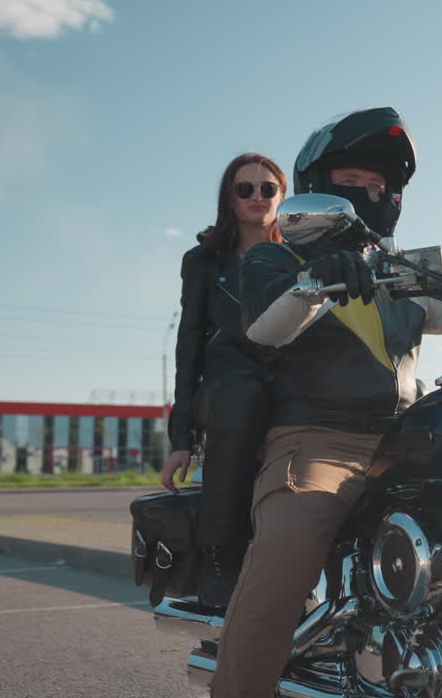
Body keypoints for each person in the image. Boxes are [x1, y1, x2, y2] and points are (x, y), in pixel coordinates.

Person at [210, 108, 442, 697]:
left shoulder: (405, 271)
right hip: (318, 441)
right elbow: (263, 328)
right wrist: (315, 285)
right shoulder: (277, 259)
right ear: (320, 191)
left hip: (409, 442)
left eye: (381, 187)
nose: (370, 196)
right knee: (286, 554)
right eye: (353, 185)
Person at [160, 152, 286, 608]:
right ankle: (217, 559)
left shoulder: (299, 255)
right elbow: (188, 346)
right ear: (229, 199)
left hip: (287, 381)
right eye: (245, 188)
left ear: (282, 196)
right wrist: (182, 438)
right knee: (242, 394)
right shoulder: (204, 260)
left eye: (267, 188)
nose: (257, 196)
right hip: (228, 383)